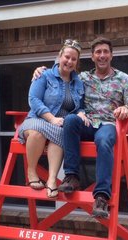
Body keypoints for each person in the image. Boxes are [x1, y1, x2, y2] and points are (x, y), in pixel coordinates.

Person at [34, 37, 128, 217]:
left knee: (104, 140)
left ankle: (101, 196)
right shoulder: (82, 78)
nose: (102, 56)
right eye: (98, 52)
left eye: (105, 52)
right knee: (70, 120)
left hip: (108, 124)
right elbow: (61, 73)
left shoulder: (123, 78)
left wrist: (126, 107)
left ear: (111, 55)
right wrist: (41, 71)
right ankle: (72, 176)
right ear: (92, 56)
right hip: (86, 122)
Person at [19, 39, 84, 198]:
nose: (69, 61)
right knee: (37, 133)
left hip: (61, 126)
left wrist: (81, 113)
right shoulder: (44, 75)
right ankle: (32, 172)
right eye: (67, 57)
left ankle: (51, 179)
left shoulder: (78, 83)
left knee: (60, 136)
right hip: (38, 119)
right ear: (59, 56)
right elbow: (33, 99)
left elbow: (80, 106)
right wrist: (51, 118)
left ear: (77, 63)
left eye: (73, 59)